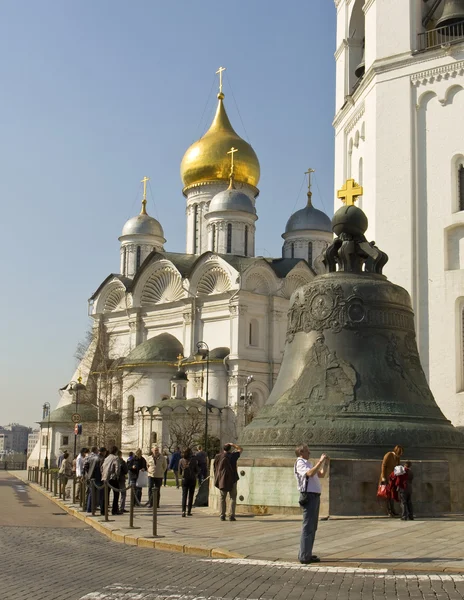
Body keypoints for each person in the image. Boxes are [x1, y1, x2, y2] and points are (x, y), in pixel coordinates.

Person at [294, 444, 329, 565]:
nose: (309, 453)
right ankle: (304, 556)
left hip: (315, 496)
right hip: (308, 496)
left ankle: (307, 553)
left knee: (312, 527)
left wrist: (326, 463)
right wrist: (320, 461)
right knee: (307, 527)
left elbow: (321, 474)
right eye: (307, 451)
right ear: (301, 452)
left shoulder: (307, 463)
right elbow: (309, 474)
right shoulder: (300, 462)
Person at [213, 442, 242, 522]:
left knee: (222, 498)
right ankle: (231, 515)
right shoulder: (233, 456)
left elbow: (215, 467)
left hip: (222, 479)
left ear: (223, 449)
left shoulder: (218, 456)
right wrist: (233, 444)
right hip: (232, 479)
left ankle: (222, 515)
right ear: (230, 449)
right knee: (233, 497)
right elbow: (240, 449)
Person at [380, 445, 404, 516]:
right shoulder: (389, 455)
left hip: (393, 478)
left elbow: (398, 467)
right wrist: (384, 477)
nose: (401, 454)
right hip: (387, 478)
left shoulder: (397, 458)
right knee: (388, 495)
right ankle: (389, 511)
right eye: (400, 452)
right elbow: (384, 465)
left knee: (392, 494)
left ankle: (393, 510)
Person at [179, 448, 199, 517]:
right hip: (192, 479)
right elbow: (197, 470)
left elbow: (180, 472)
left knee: (184, 495)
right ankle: (189, 511)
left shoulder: (181, 460)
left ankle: (183, 511)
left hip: (184, 479)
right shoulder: (193, 460)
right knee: (191, 496)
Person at [84, 447, 105, 514]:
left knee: (91, 493)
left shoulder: (91, 458)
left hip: (91, 477)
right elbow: (102, 469)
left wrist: (89, 473)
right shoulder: (100, 459)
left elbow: (86, 466)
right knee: (101, 495)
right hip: (98, 478)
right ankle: (102, 510)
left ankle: (89, 508)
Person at [101, 446, 121, 515]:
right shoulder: (115, 458)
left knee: (105, 494)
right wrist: (117, 475)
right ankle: (114, 510)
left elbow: (102, 467)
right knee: (116, 494)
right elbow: (117, 468)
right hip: (112, 477)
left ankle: (103, 510)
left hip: (105, 477)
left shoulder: (107, 458)